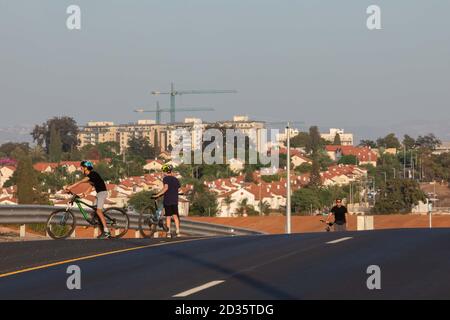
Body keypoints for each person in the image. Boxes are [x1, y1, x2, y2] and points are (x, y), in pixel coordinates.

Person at [66, 161, 111, 239]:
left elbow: (80, 181)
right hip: (98, 194)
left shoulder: (92, 174)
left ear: (86, 168)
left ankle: (107, 231)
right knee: (94, 210)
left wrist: (70, 187)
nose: (80, 169)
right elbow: (90, 187)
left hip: (102, 193)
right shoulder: (91, 177)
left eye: (81, 168)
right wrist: (83, 195)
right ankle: (102, 229)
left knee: (98, 211)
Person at [154, 164, 181, 238]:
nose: (162, 172)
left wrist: (158, 194)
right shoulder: (176, 179)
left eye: (163, 171)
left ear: (165, 171)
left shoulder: (166, 178)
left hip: (168, 199)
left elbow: (166, 188)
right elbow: (178, 189)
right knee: (175, 216)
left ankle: (168, 233)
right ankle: (178, 232)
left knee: (168, 216)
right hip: (175, 200)